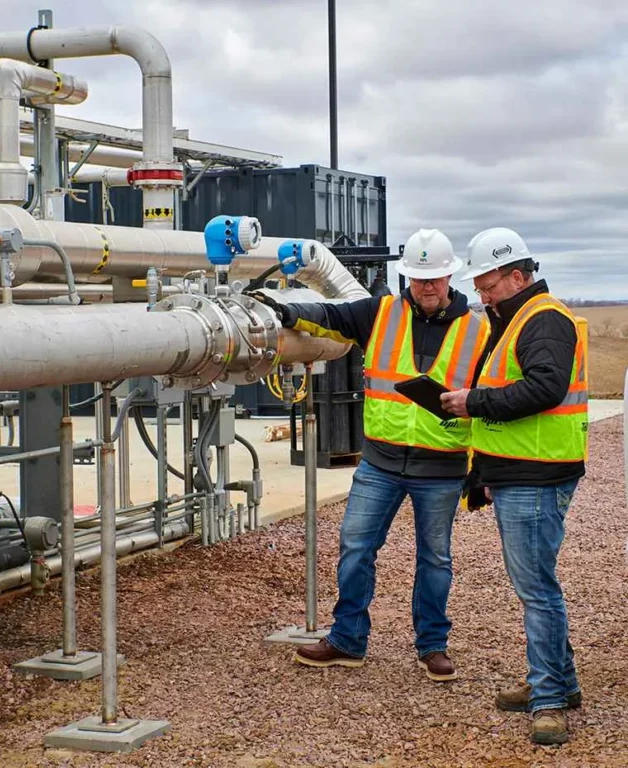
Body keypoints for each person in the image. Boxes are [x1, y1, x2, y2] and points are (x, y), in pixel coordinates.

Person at [249, 229, 489, 681]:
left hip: (442, 467)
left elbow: (491, 399)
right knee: (356, 548)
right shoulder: (381, 312)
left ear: (450, 275)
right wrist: (285, 311)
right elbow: (329, 316)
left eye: (435, 278)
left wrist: (482, 468)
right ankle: (347, 639)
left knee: (435, 558)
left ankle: (432, 646)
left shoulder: (479, 330)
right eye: (419, 279)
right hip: (379, 462)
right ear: (406, 278)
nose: (428, 287)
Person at [441, 227, 587, 746]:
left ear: (518, 276)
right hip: (521, 469)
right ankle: (558, 684)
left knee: (537, 591)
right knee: (537, 586)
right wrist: (482, 472)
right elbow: (508, 387)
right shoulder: (515, 318)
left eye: (488, 285)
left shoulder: (543, 319)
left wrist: (472, 403)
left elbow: (544, 387)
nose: (481, 296)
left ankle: (548, 698)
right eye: (478, 287)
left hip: (538, 473)